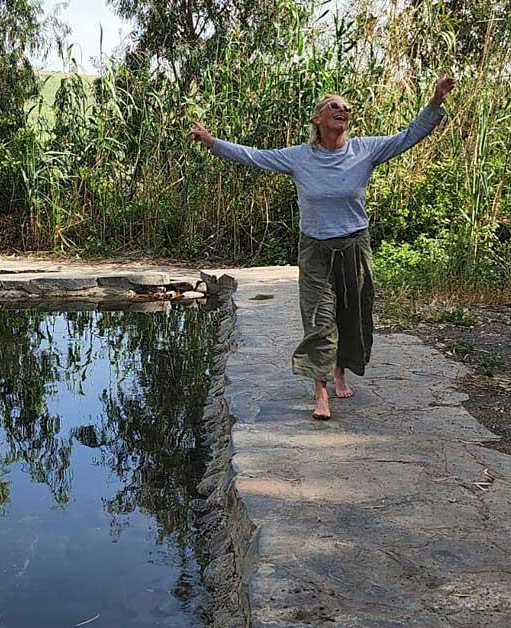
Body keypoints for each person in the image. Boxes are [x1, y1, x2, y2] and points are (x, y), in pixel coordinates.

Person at [190, 77, 455, 420]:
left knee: (351, 313)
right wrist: (213, 143)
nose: (342, 110)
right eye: (334, 105)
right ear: (317, 118)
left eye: (346, 107)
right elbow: (255, 157)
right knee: (319, 318)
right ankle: (320, 391)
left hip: (355, 245)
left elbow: (407, 136)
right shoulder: (299, 157)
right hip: (315, 248)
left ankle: (339, 371)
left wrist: (434, 102)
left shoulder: (365, 149)